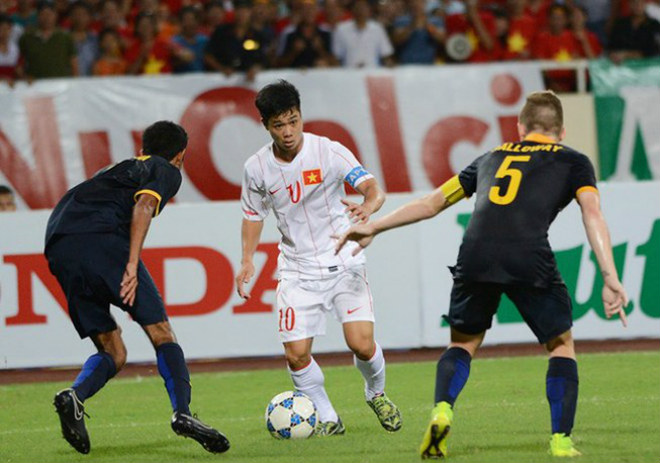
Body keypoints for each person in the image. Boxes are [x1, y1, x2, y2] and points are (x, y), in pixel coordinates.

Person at [334, 91, 629, 458]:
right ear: (562, 131)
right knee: (560, 345)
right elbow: (592, 213)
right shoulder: (574, 161)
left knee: (462, 344)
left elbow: (432, 203)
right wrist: (610, 276)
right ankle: (561, 441)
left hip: (475, 253)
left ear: (520, 128)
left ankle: (443, 410)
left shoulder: (491, 157)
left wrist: (375, 226)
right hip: (527, 254)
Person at [45, 121, 230, 455]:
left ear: (143, 148)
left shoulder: (116, 169)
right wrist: (131, 264)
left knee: (113, 351)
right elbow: (144, 205)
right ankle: (183, 413)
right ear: (181, 155)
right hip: (102, 239)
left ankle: (74, 396)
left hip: (59, 245)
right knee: (161, 332)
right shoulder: (165, 169)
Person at [236, 80, 401, 436]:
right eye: (278, 125)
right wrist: (247, 260)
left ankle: (376, 393)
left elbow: (373, 188)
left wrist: (368, 206)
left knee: (361, 344)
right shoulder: (256, 168)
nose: (288, 131)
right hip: (297, 271)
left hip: (344, 260)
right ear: (265, 125)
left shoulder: (329, 151)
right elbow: (253, 215)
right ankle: (328, 417)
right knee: (296, 354)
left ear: (300, 115)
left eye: (293, 121)